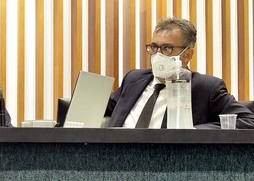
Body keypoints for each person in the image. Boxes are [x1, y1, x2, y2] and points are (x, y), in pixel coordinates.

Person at [105, 17, 254, 129]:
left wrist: (192, 131)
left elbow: (248, 121)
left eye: (167, 48)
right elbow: (104, 108)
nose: (158, 55)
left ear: (187, 55)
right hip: (115, 156)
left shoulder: (206, 88)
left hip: (165, 158)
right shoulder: (134, 79)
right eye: (154, 47)